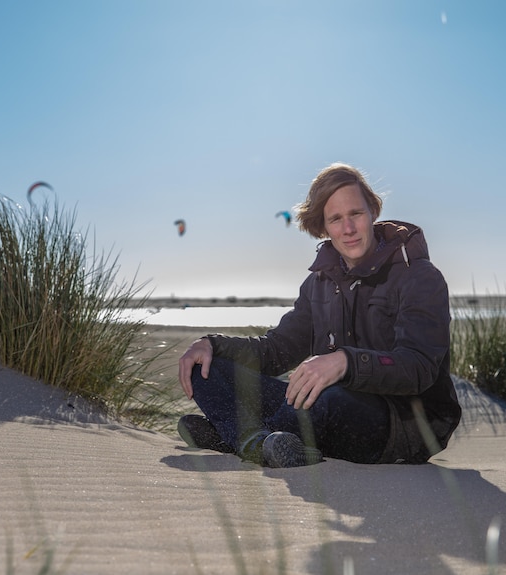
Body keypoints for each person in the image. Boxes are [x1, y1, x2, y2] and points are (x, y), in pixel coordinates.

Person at [177, 163, 461, 468]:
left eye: (356, 214)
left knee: (325, 398)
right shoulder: (319, 284)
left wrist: (345, 362)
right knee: (206, 369)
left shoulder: (419, 277)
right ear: (323, 227)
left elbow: (418, 368)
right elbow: (274, 351)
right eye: (336, 219)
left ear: (373, 212)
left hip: (403, 426)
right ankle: (259, 441)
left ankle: (234, 437)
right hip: (328, 407)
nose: (348, 229)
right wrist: (212, 344)